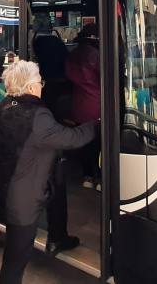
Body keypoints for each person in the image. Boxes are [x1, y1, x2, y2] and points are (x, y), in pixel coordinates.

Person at [0, 60, 97, 284]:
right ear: (29, 88)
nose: (42, 86)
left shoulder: (4, 106)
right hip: (21, 202)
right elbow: (73, 139)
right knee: (16, 259)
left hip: (2, 190)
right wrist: (96, 123)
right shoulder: (38, 117)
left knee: (56, 186)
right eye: (39, 82)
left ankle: (58, 237)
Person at [65, 22, 102, 190]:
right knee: (100, 145)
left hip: (78, 106)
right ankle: (101, 178)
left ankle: (88, 177)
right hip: (96, 105)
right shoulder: (95, 55)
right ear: (94, 36)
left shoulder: (72, 54)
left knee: (84, 145)